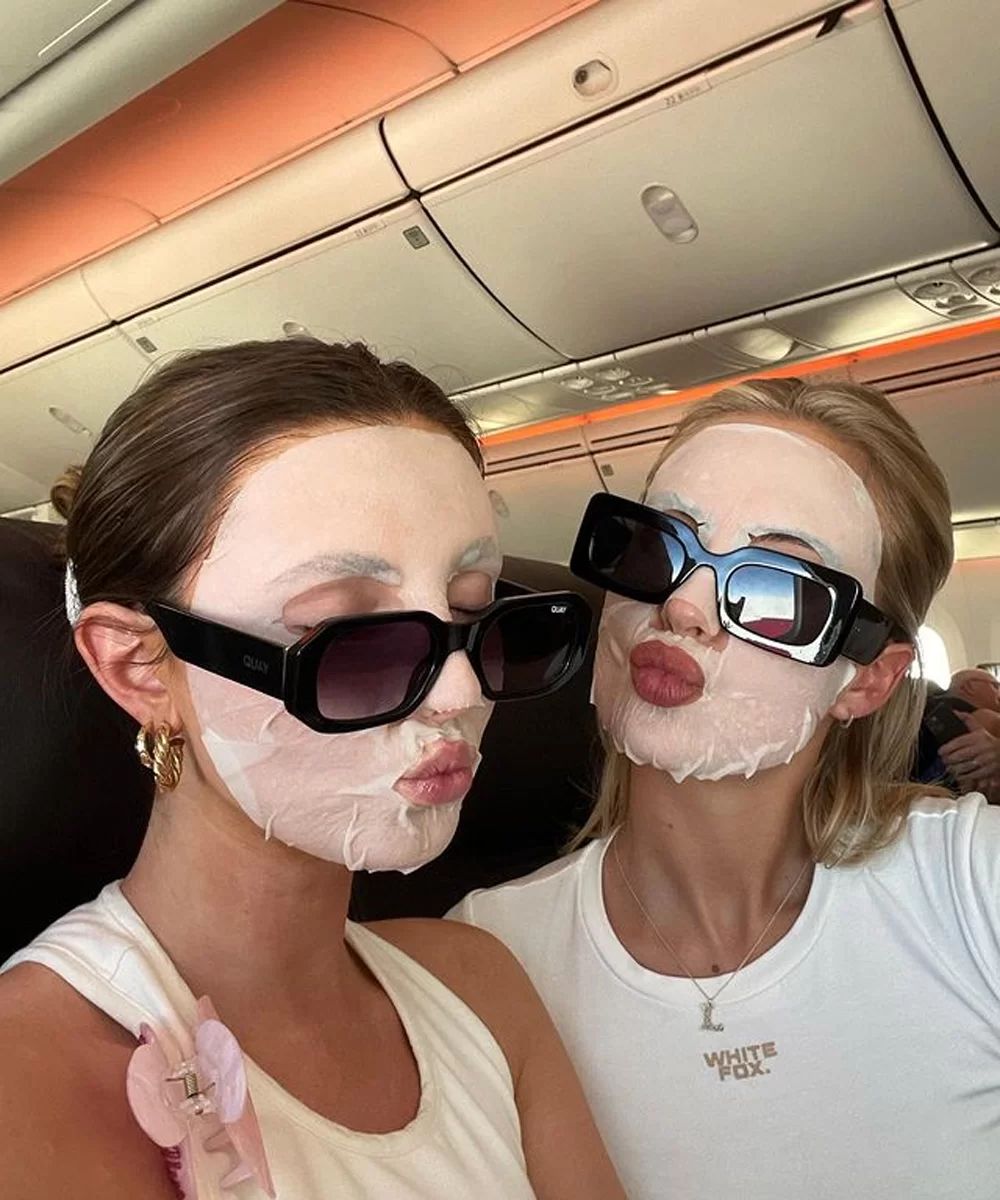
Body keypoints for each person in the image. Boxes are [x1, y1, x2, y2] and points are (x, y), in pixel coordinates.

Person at [0, 339, 624, 1200]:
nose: (459, 692)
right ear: (140, 668)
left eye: (472, 612)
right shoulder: (29, 1086)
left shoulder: (480, 986)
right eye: (348, 636)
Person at [451, 377, 1000, 1200]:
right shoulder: (487, 955)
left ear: (868, 681)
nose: (683, 608)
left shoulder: (973, 886)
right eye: (660, 549)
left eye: (777, 589)